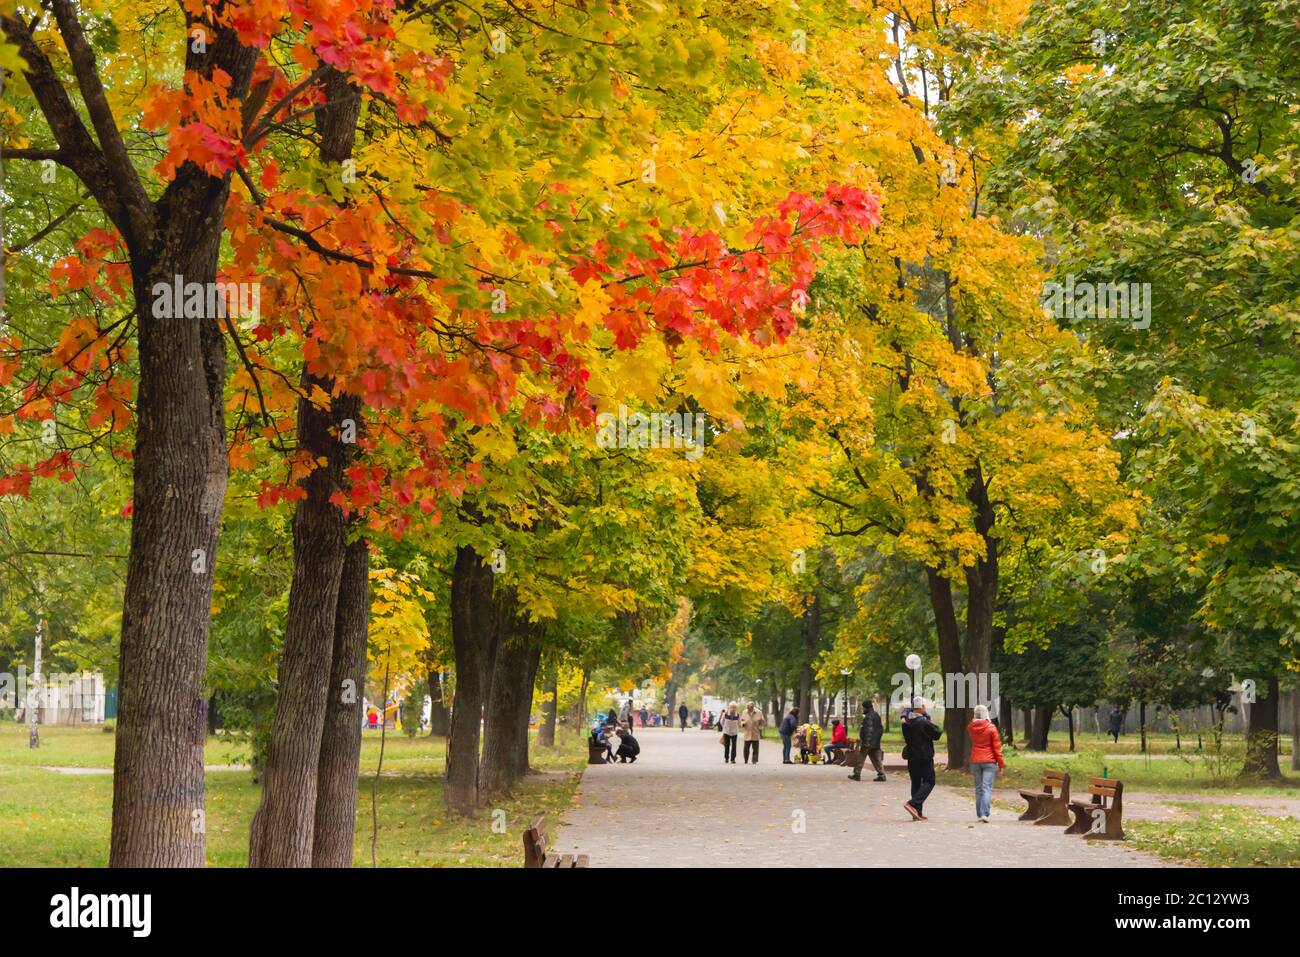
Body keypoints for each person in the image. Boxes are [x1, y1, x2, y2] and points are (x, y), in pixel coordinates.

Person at [901, 696, 943, 821]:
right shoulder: (923, 722)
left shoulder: (906, 722)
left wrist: (904, 715)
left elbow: (905, 713)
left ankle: (917, 812)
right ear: (922, 707)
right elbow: (937, 733)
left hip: (911, 756)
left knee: (916, 782)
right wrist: (928, 719)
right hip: (924, 756)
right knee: (930, 781)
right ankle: (913, 804)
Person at [967, 704, 1004, 822]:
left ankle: (979, 814)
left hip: (975, 760)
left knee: (978, 788)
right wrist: (1001, 765)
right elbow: (997, 748)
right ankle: (985, 814)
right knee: (986, 788)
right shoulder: (991, 728)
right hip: (989, 761)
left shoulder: (971, 727)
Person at [848, 701, 885, 782]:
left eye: (863, 708)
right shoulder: (876, 715)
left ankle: (857, 774)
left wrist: (867, 742)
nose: (862, 709)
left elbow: (868, 730)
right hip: (875, 742)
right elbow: (881, 729)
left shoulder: (868, 717)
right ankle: (882, 775)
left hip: (868, 742)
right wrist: (877, 739)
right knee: (876, 759)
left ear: (866, 708)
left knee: (860, 758)